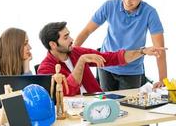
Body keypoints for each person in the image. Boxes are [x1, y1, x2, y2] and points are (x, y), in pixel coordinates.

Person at [74, 0, 167, 90]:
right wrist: (71, 54)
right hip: (106, 66)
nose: (127, 1)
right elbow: (87, 31)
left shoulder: (150, 13)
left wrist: (163, 79)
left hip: (132, 70)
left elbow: (159, 49)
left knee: (128, 106)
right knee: (107, 105)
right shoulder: (109, 6)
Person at [37, 22, 165, 96]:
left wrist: (143, 51)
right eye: (65, 38)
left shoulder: (76, 52)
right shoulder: (45, 69)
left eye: (69, 35)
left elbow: (112, 58)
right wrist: (82, 62)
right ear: (53, 44)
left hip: (98, 105)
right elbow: (67, 91)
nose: (71, 40)